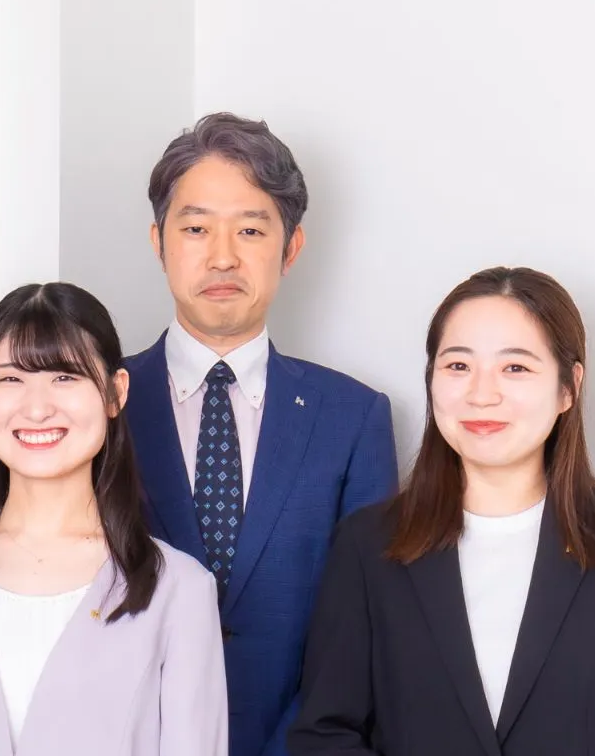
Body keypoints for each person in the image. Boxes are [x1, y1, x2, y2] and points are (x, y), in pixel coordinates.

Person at [289, 267, 595, 754]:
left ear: (568, 387)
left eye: (515, 368)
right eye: (458, 366)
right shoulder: (368, 545)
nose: (482, 394)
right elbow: (325, 734)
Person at [119, 113, 399, 756]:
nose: (223, 256)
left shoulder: (353, 418)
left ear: (290, 248)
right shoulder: (99, 404)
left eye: (250, 229)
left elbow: (364, 630)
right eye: (196, 228)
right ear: (159, 242)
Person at [0, 282, 226, 755]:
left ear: (115, 392)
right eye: (11, 379)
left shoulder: (179, 590)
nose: (36, 408)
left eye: (65, 377)